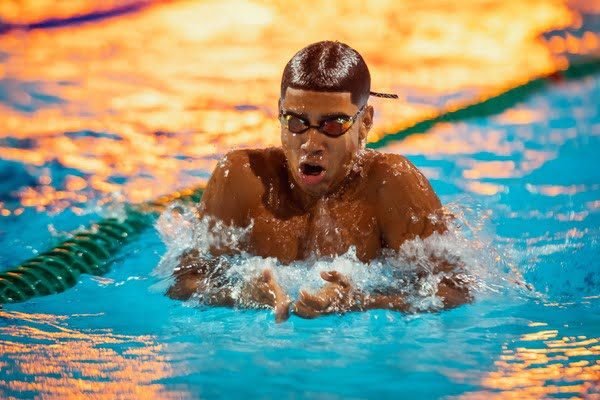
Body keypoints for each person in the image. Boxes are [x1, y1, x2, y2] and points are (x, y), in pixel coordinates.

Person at [167, 41, 471, 321]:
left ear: (365, 123)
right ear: (279, 114)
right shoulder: (240, 179)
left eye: (334, 124)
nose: (311, 142)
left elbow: (456, 291)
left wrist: (361, 301)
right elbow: (183, 284)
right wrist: (239, 295)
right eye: (296, 122)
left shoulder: (392, 185)